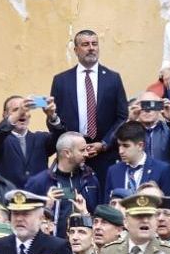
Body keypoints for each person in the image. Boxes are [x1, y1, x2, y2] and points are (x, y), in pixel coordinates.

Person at [48, 29, 131, 176]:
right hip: (72, 158)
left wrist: (104, 144)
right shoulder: (61, 81)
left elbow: (122, 117)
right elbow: (54, 120)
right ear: (76, 50)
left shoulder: (113, 78)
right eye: (85, 44)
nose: (91, 48)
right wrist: (53, 119)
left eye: (94, 44)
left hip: (106, 156)